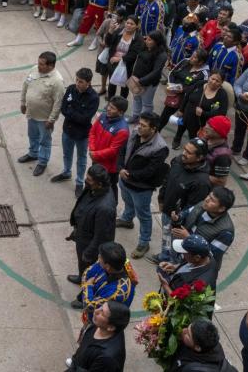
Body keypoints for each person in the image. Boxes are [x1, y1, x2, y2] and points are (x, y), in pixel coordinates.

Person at [152, 138, 213, 264]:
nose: (184, 153)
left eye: (189, 152)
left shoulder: (202, 182)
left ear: (199, 157)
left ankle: (173, 264)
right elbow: (167, 180)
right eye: (184, 149)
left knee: (176, 244)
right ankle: (164, 256)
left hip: (179, 221)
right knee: (166, 237)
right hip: (167, 210)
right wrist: (161, 198)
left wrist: (178, 221)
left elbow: (193, 209)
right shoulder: (178, 161)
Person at [117, 112, 170, 258]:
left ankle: (144, 242)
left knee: (144, 215)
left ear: (153, 129)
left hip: (141, 188)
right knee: (127, 201)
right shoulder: (135, 132)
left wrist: (129, 174)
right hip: (125, 178)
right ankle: (127, 219)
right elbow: (123, 150)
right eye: (139, 124)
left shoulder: (160, 148)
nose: (138, 127)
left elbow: (150, 171)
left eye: (143, 125)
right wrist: (120, 168)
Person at [17, 51, 65, 177]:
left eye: (41, 64)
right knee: (32, 135)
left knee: (45, 141)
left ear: (51, 66)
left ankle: (43, 161)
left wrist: (52, 119)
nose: (38, 66)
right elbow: (25, 85)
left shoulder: (57, 81)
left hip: (44, 118)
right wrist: (23, 102)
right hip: (31, 113)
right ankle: (33, 153)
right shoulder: (34, 70)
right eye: (38, 63)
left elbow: (58, 103)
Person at [67, 165, 117, 283]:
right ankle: (81, 277)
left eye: (89, 180)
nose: (86, 181)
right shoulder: (94, 188)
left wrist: (89, 253)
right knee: (82, 264)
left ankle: (84, 294)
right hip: (83, 234)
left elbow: (102, 236)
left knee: (90, 271)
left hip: (90, 244)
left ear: (99, 184)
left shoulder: (105, 208)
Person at [53, 68, 99, 191]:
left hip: (82, 134)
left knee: (82, 158)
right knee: (67, 154)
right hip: (67, 130)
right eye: (77, 80)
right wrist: (75, 114)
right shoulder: (71, 89)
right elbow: (63, 108)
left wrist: (71, 112)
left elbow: (85, 118)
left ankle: (79, 181)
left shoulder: (93, 98)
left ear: (88, 83)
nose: (77, 83)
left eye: (81, 81)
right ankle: (66, 172)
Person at [73, 241, 135, 319]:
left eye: (100, 257)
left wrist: (88, 286)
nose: (98, 257)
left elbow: (89, 306)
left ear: (108, 266)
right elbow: (88, 273)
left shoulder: (117, 291)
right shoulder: (115, 265)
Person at [63, 301, 130, 372]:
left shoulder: (107, 358)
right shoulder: (102, 325)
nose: (96, 311)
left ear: (111, 327)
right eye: (101, 307)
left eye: (102, 313)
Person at [88, 96, 130, 194]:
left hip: (109, 168)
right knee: (94, 184)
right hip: (96, 159)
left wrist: (95, 154)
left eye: (112, 108)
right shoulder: (103, 116)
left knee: (109, 189)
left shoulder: (122, 130)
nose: (108, 109)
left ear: (120, 112)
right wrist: (92, 150)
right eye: (109, 106)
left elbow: (113, 150)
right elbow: (92, 132)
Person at [167, 318, 235, 372]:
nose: (183, 330)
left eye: (188, 334)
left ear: (197, 347)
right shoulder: (211, 344)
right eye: (187, 328)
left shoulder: (193, 369)